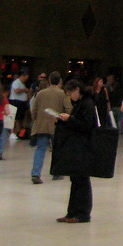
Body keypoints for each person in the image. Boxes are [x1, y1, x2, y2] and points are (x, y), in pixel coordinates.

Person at [53, 79, 96, 222]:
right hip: (77, 146)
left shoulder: (87, 103)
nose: (70, 96)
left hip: (83, 148)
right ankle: (72, 212)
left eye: (71, 92)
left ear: (77, 89)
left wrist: (69, 119)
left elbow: (87, 125)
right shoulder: (80, 103)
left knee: (82, 180)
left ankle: (82, 213)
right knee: (75, 179)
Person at [30, 71, 71, 183]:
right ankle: (56, 173)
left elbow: (33, 110)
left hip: (41, 125)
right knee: (57, 149)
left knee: (40, 149)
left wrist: (36, 121)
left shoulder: (40, 93)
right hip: (56, 125)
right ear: (59, 81)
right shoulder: (62, 94)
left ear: (49, 80)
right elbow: (69, 109)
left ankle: (36, 173)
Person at [10, 70, 30, 136]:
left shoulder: (23, 84)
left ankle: (20, 132)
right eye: (26, 78)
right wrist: (24, 90)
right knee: (17, 118)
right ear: (23, 76)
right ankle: (17, 131)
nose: (26, 80)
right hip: (16, 102)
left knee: (21, 118)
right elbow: (16, 90)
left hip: (22, 103)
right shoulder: (16, 83)